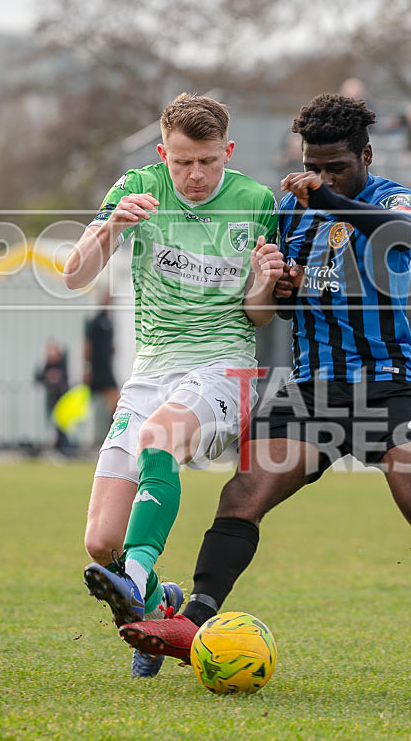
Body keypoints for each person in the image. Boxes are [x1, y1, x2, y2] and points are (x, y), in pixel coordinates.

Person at [119, 93, 411, 694]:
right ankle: (192, 623)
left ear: (365, 156)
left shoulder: (391, 199)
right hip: (313, 390)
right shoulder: (289, 213)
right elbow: (286, 302)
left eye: (335, 167)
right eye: (312, 167)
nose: (319, 178)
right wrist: (281, 284)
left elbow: (395, 237)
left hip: (388, 385)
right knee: (242, 495)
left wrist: (321, 197)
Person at [62, 92, 281, 679]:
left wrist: (263, 282)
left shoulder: (258, 203)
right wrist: (110, 228)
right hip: (150, 372)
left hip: (223, 370)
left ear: (227, 152)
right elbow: (75, 274)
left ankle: (133, 582)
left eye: (208, 161)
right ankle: (158, 603)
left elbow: (260, 316)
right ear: (164, 153)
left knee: (161, 439)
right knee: (99, 542)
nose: (195, 174)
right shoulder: (137, 187)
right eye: (182, 162)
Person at [84, 293, 119, 446]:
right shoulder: (96, 321)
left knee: (114, 403)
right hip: (97, 369)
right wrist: (87, 367)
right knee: (85, 403)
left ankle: (113, 437)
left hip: (106, 368)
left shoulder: (109, 322)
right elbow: (87, 344)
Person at [34, 340, 71, 455]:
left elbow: (65, 379)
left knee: (62, 425)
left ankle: (66, 448)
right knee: (53, 423)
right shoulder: (47, 364)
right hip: (51, 399)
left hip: (63, 399)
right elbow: (38, 378)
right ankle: (60, 447)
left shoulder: (63, 364)